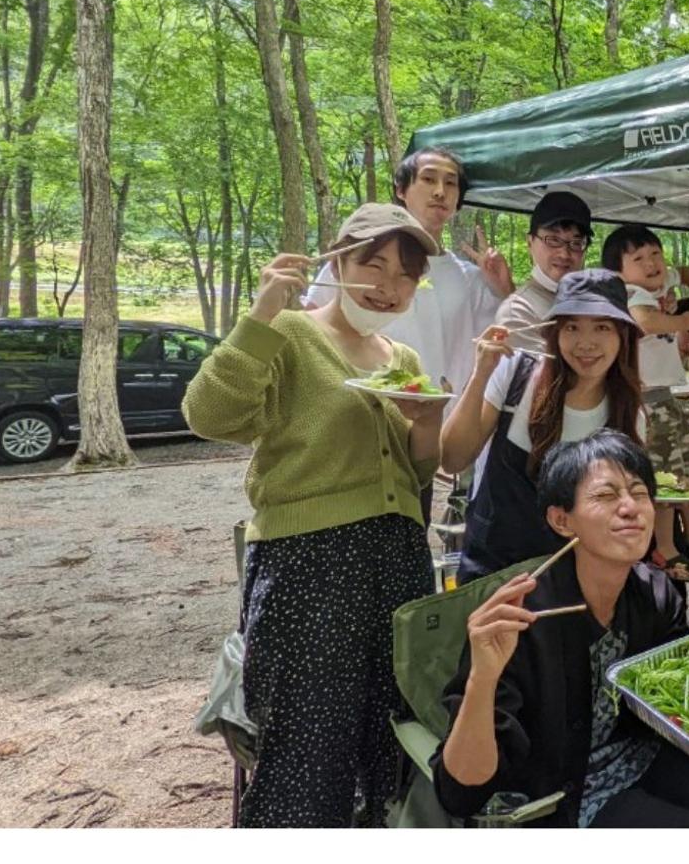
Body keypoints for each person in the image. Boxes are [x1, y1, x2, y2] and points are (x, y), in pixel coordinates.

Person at [182, 203, 445, 827]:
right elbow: (207, 416)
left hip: (398, 561)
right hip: (308, 566)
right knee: (305, 742)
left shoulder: (402, 359)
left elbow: (415, 475)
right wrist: (260, 315)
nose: (388, 286)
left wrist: (427, 425)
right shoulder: (292, 334)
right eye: (373, 265)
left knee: (389, 734)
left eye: (405, 275)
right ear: (339, 262)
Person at [436, 430, 689, 828]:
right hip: (568, 796)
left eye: (639, 492)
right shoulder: (522, 617)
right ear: (562, 520)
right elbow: (460, 791)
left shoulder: (657, 593)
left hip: (643, 760)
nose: (630, 508)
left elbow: (676, 708)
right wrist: (482, 678)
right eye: (605, 495)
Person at [303, 146, 513, 522]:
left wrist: (504, 288)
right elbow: (312, 323)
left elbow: (510, 339)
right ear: (401, 189)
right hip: (348, 425)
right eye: (428, 179)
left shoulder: (469, 279)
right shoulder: (357, 260)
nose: (440, 191)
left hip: (420, 437)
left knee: (408, 532)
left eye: (450, 184)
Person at [443, 269, 646, 582]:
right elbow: (453, 458)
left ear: (623, 336)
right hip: (493, 574)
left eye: (602, 327)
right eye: (572, 327)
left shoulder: (628, 415)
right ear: (555, 332)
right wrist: (480, 373)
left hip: (573, 581)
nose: (585, 343)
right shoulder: (515, 375)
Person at [601, 224, 689, 577]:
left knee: (686, 469)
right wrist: (683, 320)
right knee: (664, 475)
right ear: (619, 272)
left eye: (655, 253)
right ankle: (665, 545)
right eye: (638, 259)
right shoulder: (630, 293)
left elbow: (685, 271)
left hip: (666, 395)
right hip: (644, 399)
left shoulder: (661, 282)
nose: (651, 263)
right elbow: (646, 322)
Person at [497, 190, 594, 352]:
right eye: (553, 240)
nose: (564, 254)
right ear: (530, 242)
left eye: (576, 243)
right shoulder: (518, 311)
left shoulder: (593, 302)